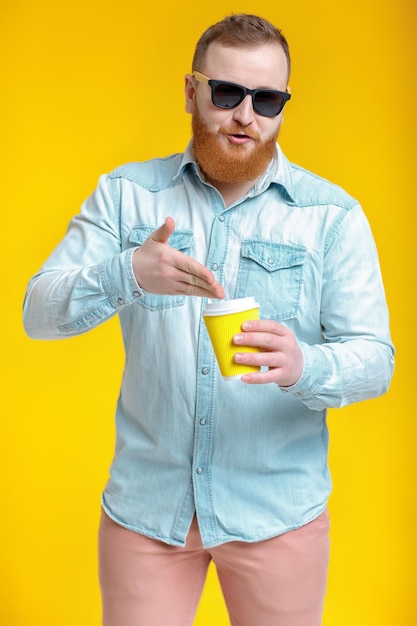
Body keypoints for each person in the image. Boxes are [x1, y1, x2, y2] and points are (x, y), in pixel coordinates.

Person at [23, 13, 394, 626]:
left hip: (277, 513)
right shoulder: (126, 196)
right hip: (148, 512)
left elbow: (375, 359)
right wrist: (127, 274)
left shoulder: (332, 215)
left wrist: (306, 364)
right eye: (228, 94)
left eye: (268, 99)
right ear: (192, 91)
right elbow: (39, 311)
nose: (247, 115)